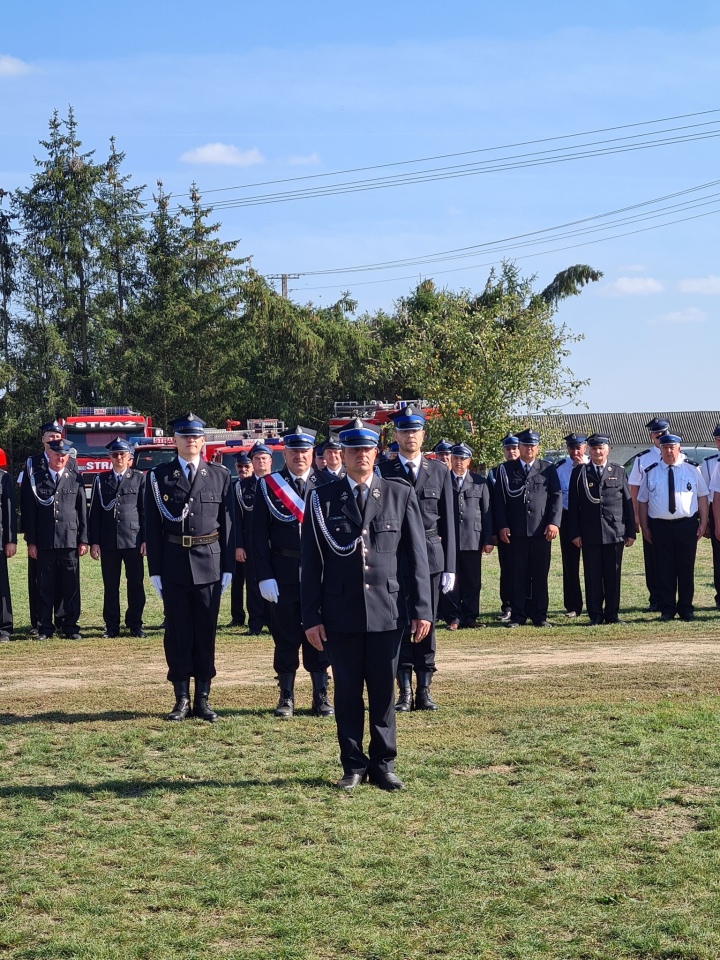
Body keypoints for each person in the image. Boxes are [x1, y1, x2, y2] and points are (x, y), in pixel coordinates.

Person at [301, 418, 432, 791]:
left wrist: (422, 609)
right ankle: (353, 764)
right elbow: (310, 564)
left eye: (367, 449)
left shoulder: (398, 493)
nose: (361, 455)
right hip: (340, 613)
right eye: (354, 449)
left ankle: (384, 763)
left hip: (387, 611)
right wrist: (310, 616)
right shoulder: (322, 498)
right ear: (342, 454)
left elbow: (416, 558)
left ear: (377, 452)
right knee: (346, 692)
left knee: (382, 691)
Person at [144, 413, 234, 722]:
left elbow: (228, 525)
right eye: (185, 436)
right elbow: (152, 527)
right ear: (175, 440)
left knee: (206, 631)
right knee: (178, 632)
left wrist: (228, 567)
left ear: (203, 440)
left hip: (209, 561)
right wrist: (154, 569)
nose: (191, 441)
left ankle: (203, 698)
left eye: (196, 436)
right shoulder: (159, 477)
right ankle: (181, 697)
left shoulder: (220, 476)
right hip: (174, 563)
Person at [252, 426, 337, 718]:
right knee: (285, 636)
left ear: (312, 453)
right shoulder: (268, 485)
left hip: (321, 575)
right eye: (294, 451)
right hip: (283, 571)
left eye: (305, 451)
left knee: (320, 635)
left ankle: (320, 695)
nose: (300, 456)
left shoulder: (329, 482)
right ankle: (286, 696)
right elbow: (258, 536)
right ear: (284, 453)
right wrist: (264, 575)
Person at [379, 404, 455, 711]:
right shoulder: (383, 470)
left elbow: (449, 522)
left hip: (430, 556)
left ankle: (424, 689)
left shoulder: (438, 471)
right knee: (397, 624)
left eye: (415, 431)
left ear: (424, 435)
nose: (410, 436)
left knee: (427, 622)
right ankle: (404, 691)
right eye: (404, 431)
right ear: (396, 435)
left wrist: (450, 566)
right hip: (394, 558)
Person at [493, 429, 562, 628]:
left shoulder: (547, 468)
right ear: (519, 447)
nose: (529, 448)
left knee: (540, 574)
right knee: (517, 575)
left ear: (537, 447)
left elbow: (556, 497)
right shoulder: (505, 470)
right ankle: (518, 615)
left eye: (532, 445)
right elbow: (499, 501)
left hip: (541, 531)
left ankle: (539, 615)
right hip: (516, 532)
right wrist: (502, 525)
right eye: (525, 445)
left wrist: (553, 522)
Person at [638, 434, 708, 622]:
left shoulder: (692, 470)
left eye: (672, 447)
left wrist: (703, 523)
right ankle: (667, 608)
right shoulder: (651, 471)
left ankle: (686, 608)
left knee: (686, 568)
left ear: (679, 448)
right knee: (664, 569)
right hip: (659, 526)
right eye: (665, 447)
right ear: (660, 450)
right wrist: (644, 526)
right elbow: (642, 501)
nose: (669, 451)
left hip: (686, 525)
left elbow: (702, 496)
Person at [567, 434, 635, 625]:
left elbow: (627, 503)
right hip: (590, 533)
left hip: (614, 531)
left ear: (608, 449)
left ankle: (612, 614)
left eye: (601, 448)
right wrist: (575, 532)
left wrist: (630, 531)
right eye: (594, 448)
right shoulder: (579, 472)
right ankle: (595, 614)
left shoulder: (619, 471)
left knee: (613, 575)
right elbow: (574, 506)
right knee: (592, 575)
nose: (597, 451)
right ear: (589, 450)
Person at [23, 438, 88, 640]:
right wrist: (31, 542)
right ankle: (45, 628)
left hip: (69, 540)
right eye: (56, 454)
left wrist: (84, 539)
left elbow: (82, 511)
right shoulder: (37, 479)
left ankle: (70, 626)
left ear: (68, 457)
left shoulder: (75, 478)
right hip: (45, 541)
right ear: (48, 454)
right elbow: (30, 513)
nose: (60, 458)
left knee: (71, 587)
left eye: (63, 455)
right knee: (45, 587)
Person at [88, 438, 146, 638]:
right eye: (115, 454)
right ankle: (112, 625)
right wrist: (94, 541)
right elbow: (94, 513)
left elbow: (144, 511)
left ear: (130, 457)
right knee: (111, 585)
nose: (119, 458)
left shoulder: (139, 478)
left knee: (136, 584)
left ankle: (135, 624)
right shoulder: (101, 480)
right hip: (109, 541)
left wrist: (146, 540)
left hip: (133, 540)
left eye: (122, 454)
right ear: (110, 457)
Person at [628, 418, 684, 612]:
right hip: (652, 515)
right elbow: (634, 489)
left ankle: (676, 599)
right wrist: (635, 516)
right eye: (656, 434)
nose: (659, 437)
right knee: (653, 560)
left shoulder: (678, 455)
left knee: (676, 561)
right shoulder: (643, 459)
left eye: (663, 433)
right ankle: (656, 598)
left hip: (676, 516)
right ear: (651, 435)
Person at [444, 442, 493, 630]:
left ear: (469, 461)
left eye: (462, 458)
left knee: (472, 580)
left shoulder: (480, 482)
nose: (458, 462)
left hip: (473, 538)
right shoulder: (443, 481)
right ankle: (453, 617)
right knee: (451, 579)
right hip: (450, 539)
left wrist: (488, 539)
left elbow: (487, 512)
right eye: (455, 458)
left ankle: (470, 616)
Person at [235, 442, 274, 636]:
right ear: (252, 462)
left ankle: (273, 620)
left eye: (264, 458)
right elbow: (235, 519)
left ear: (271, 461)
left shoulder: (279, 485)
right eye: (257, 459)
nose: (261, 462)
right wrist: (239, 545)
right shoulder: (241, 487)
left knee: (275, 580)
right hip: (250, 544)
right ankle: (256, 622)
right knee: (253, 583)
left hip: (274, 544)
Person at [555, 433, 589, 619]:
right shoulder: (560, 468)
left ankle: (595, 603)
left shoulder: (592, 465)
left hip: (590, 519)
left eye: (578, 448)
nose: (575, 452)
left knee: (593, 564)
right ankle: (573, 605)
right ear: (567, 449)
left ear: (584, 448)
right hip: (568, 518)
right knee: (570, 564)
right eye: (572, 448)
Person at [488, 434, 520, 622]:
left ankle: (525, 604)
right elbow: (492, 505)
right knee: (507, 570)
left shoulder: (527, 471)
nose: (511, 451)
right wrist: (495, 530)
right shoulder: (495, 472)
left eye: (514, 448)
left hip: (525, 529)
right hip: (504, 529)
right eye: (508, 449)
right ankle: (507, 606)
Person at [228, 452, 253, 628]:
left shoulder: (261, 486)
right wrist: (237, 545)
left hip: (256, 544)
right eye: (240, 466)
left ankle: (259, 617)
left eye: (246, 466)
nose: (243, 470)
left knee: (255, 584)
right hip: (238, 542)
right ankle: (237, 617)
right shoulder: (231, 487)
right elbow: (232, 520)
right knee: (236, 583)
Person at [700, 424, 720, 611]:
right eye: (718, 440)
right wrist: (705, 522)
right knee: (719, 558)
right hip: (716, 512)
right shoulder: (709, 462)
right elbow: (704, 495)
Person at [0, 461, 17, 640]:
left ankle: (4, 628)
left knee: (1, 587)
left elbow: (10, 512)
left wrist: (11, 540)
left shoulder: (4, 478)